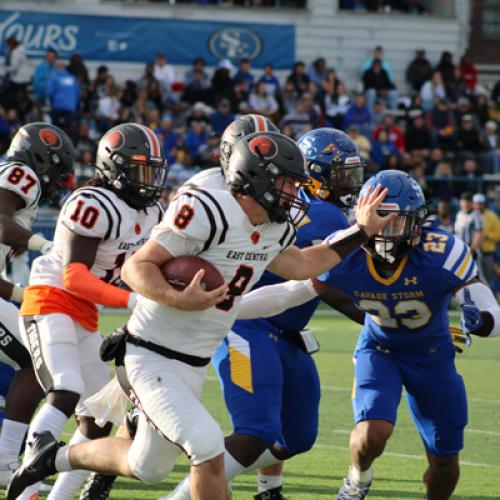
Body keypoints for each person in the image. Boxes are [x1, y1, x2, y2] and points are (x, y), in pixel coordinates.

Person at [7, 131, 393, 500]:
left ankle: (54, 457)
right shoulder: (208, 209)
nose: (295, 193)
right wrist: (177, 298)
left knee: (147, 466)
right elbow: (136, 268)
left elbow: (307, 262)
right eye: (288, 183)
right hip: (150, 354)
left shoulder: (274, 227)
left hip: (193, 362)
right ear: (257, 178)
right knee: (207, 449)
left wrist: (361, 230)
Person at [244, 171, 500, 499]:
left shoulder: (443, 252)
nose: (383, 233)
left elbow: (485, 304)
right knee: (371, 433)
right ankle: (357, 477)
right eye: (378, 220)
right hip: (380, 349)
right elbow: (290, 293)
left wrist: (483, 321)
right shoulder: (346, 251)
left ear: (417, 223)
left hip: (433, 357)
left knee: (445, 460)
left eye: (394, 223)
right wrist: (226, 307)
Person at [164, 128, 366, 500]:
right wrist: (382, 322)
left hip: (285, 332)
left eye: (352, 174)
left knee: (298, 436)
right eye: (340, 175)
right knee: (255, 429)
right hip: (247, 327)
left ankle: (265, 488)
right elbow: (330, 287)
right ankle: (180, 496)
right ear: (315, 175)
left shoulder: (307, 210)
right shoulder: (324, 215)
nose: (349, 184)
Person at [9, 123, 168, 500]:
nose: (148, 180)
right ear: (113, 168)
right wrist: (134, 301)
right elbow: (75, 278)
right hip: (50, 299)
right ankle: (24, 488)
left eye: (152, 170)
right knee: (66, 386)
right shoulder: (92, 203)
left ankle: (61, 495)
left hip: (84, 312)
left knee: (101, 414)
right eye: (139, 169)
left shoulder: (153, 211)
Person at [0, 123, 75, 489]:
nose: (56, 177)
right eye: (56, 167)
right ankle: (5, 459)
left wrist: (19, 295)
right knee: (36, 355)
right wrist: (43, 246)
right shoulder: (21, 173)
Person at [472, 193, 500, 289]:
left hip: (487, 252)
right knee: (473, 279)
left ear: (484, 204)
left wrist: (486, 236)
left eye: (480, 203)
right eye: (476, 203)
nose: (478, 206)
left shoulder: (492, 216)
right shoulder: (471, 215)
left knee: (486, 279)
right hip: (473, 252)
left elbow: (498, 234)